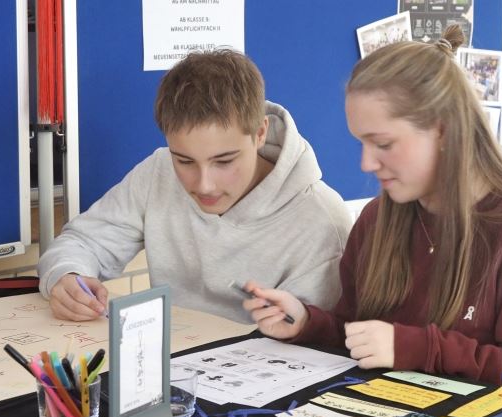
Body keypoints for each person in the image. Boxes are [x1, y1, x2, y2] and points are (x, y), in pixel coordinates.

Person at [242, 26, 502, 399]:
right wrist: (307, 323)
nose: (366, 163)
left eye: (383, 144)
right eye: (361, 143)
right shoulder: (376, 220)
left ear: (443, 131)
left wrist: (417, 348)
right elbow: (358, 335)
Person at [38, 49, 350, 324]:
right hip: (170, 362)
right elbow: (82, 242)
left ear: (259, 133)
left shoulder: (321, 220)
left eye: (224, 161)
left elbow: (313, 341)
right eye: (184, 161)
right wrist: (67, 275)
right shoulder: (158, 171)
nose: (204, 185)